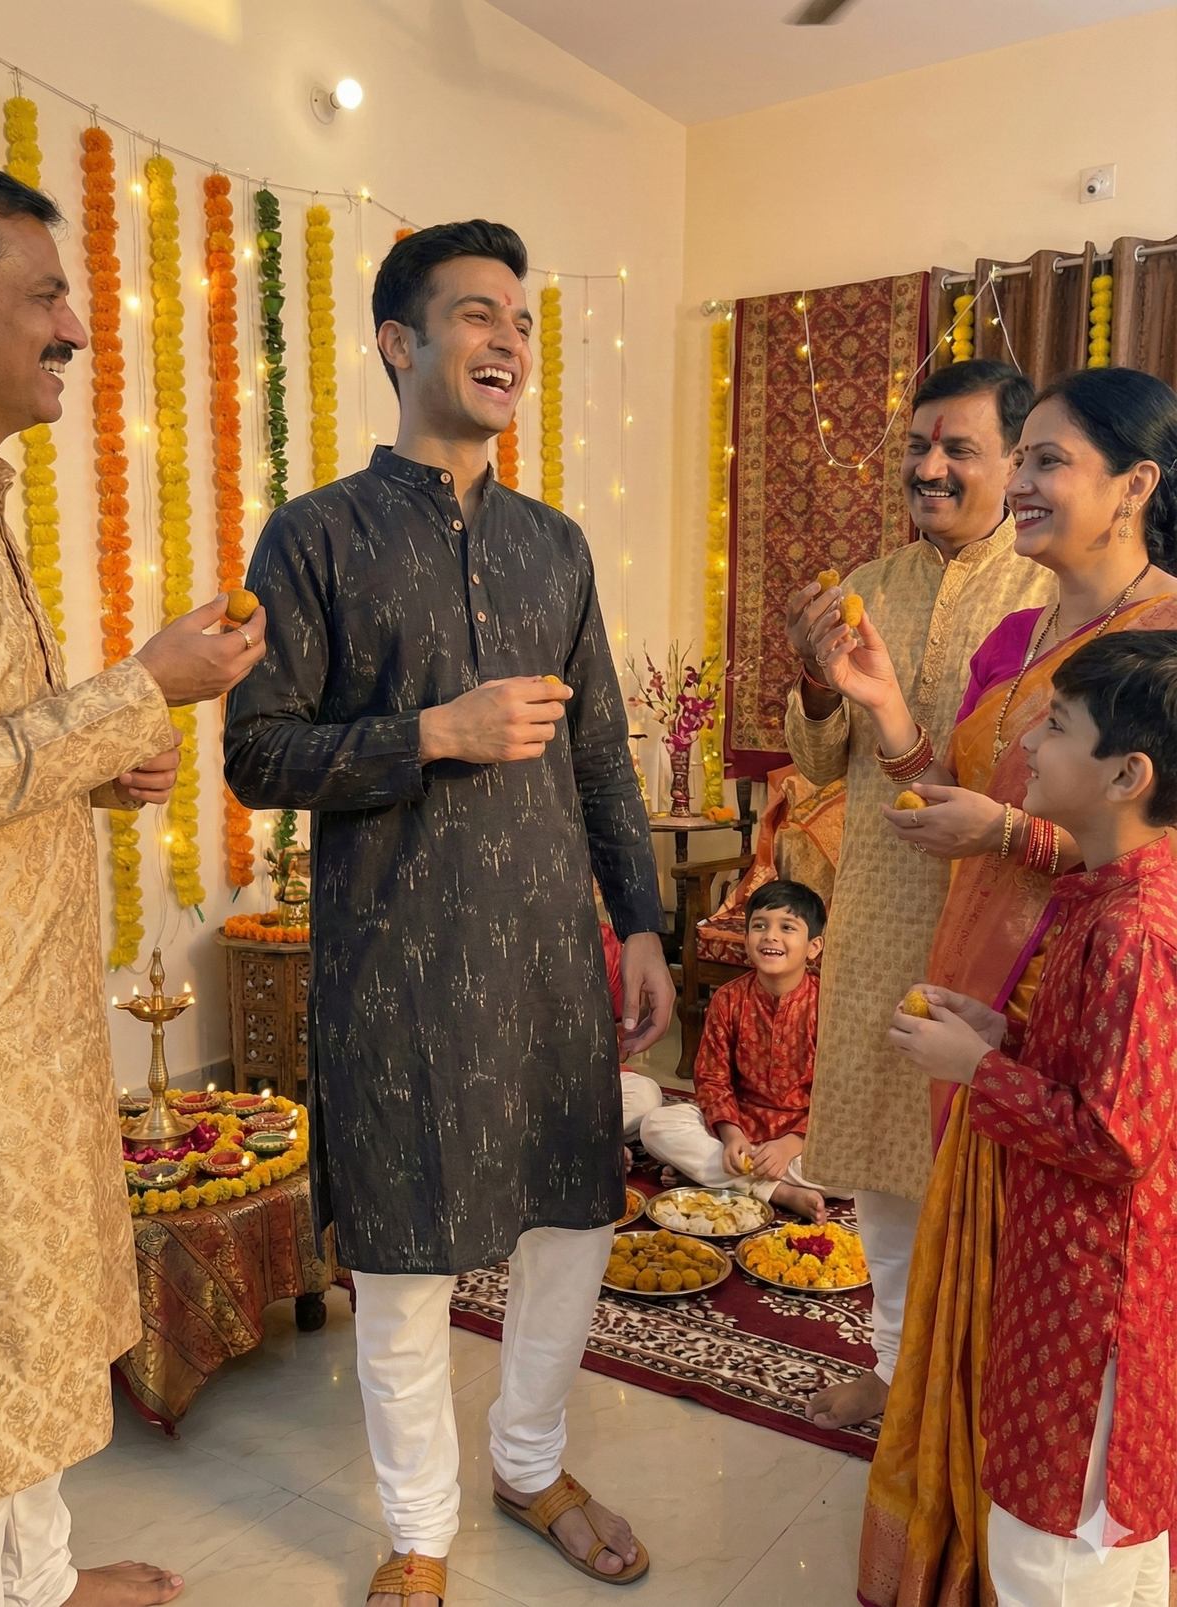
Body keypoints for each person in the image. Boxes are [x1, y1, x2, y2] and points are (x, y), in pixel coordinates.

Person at [223, 221, 673, 1607]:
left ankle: (530, 1462)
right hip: (398, 957)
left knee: (570, 1227)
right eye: (479, 314)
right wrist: (433, 731)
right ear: (399, 342)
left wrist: (641, 919)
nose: (510, 342)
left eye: (524, 321)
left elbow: (600, 746)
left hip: (549, 952)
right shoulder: (316, 537)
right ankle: (417, 1529)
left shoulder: (556, 544)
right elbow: (257, 749)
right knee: (408, 1258)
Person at [838, 367, 1177, 1605]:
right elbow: (966, 785)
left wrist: (1012, 841)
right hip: (983, 977)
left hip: (1088, 1008)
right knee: (987, 1299)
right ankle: (985, 1543)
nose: (1018, 486)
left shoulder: (1166, 645)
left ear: (1136, 484)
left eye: (1048, 462)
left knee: (1063, 1308)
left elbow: (1140, 847)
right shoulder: (1013, 634)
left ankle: (1037, 1558)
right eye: (1018, 458)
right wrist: (882, 711)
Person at [0, 164, 266, 1606]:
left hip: (21, 1008)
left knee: (21, 1327)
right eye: (43, 293)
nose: (76, 323)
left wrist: (105, 755)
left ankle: (39, 1577)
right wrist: (136, 687)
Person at [782, 360, 1055, 1429]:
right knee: (888, 1177)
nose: (929, 470)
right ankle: (900, 1382)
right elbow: (816, 761)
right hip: (883, 912)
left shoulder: (1049, 591)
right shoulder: (870, 580)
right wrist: (812, 682)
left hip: (1008, 917)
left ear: (1018, 461)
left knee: (984, 1174)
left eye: (959, 451)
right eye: (917, 449)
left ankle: (978, 1396)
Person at [884, 630, 1177, 1607]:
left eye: (1056, 727)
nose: (1031, 750)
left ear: (1128, 772)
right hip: (1074, 1277)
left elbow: (1118, 1136)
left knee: (1054, 1559)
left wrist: (978, 1071)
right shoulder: (1111, 897)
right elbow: (1108, 1075)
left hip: (1092, 1308)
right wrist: (1004, 1035)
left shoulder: (1136, 927)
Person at [640, 879, 831, 1222]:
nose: (770, 936)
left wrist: (791, 1144)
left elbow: (837, 1096)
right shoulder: (728, 999)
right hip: (738, 1131)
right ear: (746, 940)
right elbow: (711, 1080)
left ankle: (710, 1175)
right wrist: (731, 1136)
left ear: (814, 946)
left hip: (806, 1141)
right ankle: (778, 1192)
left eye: (787, 927)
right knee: (657, 1124)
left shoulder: (829, 1006)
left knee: (857, 1169)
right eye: (759, 926)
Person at [599, 920, 664, 1140]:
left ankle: (595, 1142)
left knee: (645, 1097)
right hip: (510, 1087)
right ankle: (599, 1144)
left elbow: (620, 1040)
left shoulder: (602, 942)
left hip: (587, 1080)